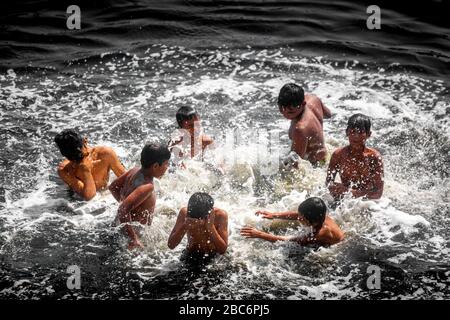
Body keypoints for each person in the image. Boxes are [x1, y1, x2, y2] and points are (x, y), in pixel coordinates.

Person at [109, 143, 171, 250]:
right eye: (166, 164)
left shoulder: (134, 170)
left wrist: (127, 202)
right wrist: (134, 238)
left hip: (120, 229)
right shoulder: (147, 186)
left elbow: (113, 187)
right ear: (155, 166)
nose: (167, 167)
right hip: (132, 235)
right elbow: (123, 209)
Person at [240, 197, 344, 247]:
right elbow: (297, 215)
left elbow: (288, 240)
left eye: (301, 217)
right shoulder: (320, 215)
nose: (298, 218)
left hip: (337, 245)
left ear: (308, 220)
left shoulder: (319, 234)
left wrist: (260, 234)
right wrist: (274, 215)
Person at [54, 129, 125, 201]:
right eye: (73, 158)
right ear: (65, 156)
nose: (78, 161)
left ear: (85, 142)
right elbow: (89, 196)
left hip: (104, 195)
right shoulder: (64, 170)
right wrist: (85, 170)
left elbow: (126, 179)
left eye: (79, 155)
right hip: (80, 201)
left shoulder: (105, 154)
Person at [326, 114, 384, 200]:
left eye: (360, 132)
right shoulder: (338, 155)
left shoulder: (374, 157)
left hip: (368, 203)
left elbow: (378, 193)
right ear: (347, 132)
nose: (356, 136)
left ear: (368, 134)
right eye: (352, 131)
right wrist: (334, 189)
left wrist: (349, 192)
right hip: (345, 201)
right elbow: (328, 183)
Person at [277, 83, 331, 166]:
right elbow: (328, 114)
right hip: (323, 155)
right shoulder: (314, 99)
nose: (285, 114)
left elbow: (295, 166)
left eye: (291, 112)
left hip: (316, 165)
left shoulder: (300, 129)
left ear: (303, 104)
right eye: (281, 109)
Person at [168, 192, 228, 258]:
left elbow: (222, 250)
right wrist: (185, 226)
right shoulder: (185, 214)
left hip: (215, 256)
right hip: (192, 254)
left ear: (210, 213)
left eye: (201, 219)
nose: (198, 222)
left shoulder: (220, 215)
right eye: (195, 219)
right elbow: (171, 245)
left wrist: (210, 227)